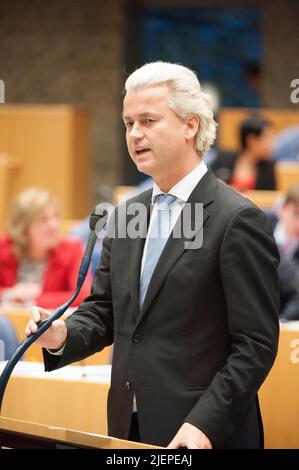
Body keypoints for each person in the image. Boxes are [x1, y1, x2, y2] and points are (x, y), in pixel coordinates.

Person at [26, 62, 279, 449]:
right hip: (129, 428)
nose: (135, 134)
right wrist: (63, 335)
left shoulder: (236, 218)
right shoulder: (129, 213)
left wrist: (205, 425)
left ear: (190, 126)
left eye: (148, 120)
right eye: (129, 124)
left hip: (202, 434)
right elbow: (105, 311)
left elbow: (255, 344)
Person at [0, 187, 92, 309]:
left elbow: (83, 296)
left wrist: (32, 301)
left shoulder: (72, 249)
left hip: (49, 324)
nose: (53, 225)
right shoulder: (3, 246)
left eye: (55, 217)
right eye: (43, 219)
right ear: (23, 225)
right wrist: (7, 294)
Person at [211, 116, 277, 191]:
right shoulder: (223, 159)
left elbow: (270, 197)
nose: (272, 143)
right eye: (268, 137)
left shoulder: (269, 169)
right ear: (252, 140)